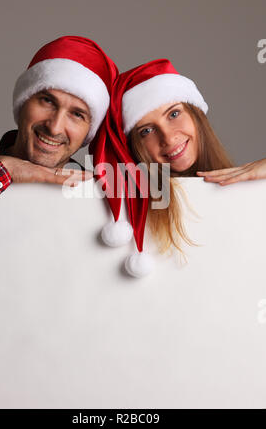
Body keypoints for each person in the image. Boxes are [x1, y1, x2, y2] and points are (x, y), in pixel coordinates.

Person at [90, 59, 266, 278]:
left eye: (174, 114)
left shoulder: (250, 197)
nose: (168, 137)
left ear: (196, 115)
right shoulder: (113, 203)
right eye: (146, 131)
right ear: (132, 146)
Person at [0, 35, 118, 232]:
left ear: (90, 130)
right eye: (47, 101)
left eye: (77, 114)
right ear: (23, 103)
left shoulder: (102, 200)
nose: (54, 127)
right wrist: (3, 170)